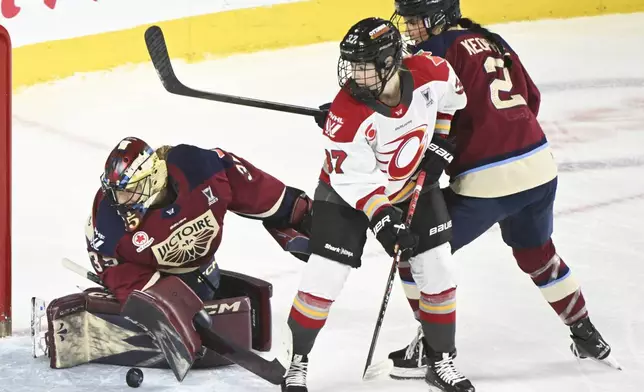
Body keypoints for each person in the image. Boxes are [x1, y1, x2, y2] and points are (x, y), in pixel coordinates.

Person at [385, 0, 619, 379]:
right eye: (407, 20)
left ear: (440, 16)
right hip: (540, 167)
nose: (410, 28)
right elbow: (532, 99)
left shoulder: (435, 52)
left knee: (415, 252)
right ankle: (585, 330)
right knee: (538, 255)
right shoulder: (492, 40)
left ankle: (432, 347)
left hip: (487, 181)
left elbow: (406, 118)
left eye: (416, 20)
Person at [281, 17, 474, 392]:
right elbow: (354, 179)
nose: (354, 75)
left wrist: (442, 142)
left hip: (410, 182)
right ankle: (297, 363)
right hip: (345, 193)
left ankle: (441, 359)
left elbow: (453, 101)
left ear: (390, 63)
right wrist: (383, 219)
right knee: (325, 274)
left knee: (438, 269)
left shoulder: (431, 72)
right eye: (351, 65)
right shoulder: (347, 111)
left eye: (363, 66)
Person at [85, 137, 312, 375]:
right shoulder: (108, 218)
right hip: (156, 276)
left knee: (203, 297)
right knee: (155, 308)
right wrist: (162, 302)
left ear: (153, 180)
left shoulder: (199, 168)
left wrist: (295, 210)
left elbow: (248, 185)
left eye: (128, 192)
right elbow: (108, 264)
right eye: (116, 192)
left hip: (205, 275)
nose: (119, 201)